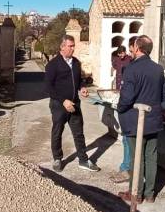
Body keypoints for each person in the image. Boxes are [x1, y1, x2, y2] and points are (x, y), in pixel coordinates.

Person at [116, 35, 165, 204]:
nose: (131, 50)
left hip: (135, 121)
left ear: (137, 48)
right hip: (154, 121)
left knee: (136, 157)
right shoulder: (158, 69)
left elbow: (127, 97)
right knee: (151, 157)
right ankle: (150, 194)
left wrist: (120, 108)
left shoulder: (132, 69)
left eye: (133, 47)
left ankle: (136, 194)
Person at [44, 35, 100, 173]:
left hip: (75, 104)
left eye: (73, 45)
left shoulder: (76, 62)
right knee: (57, 132)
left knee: (79, 133)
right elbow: (49, 88)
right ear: (62, 47)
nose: (73, 48)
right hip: (59, 105)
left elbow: (79, 79)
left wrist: (82, 88)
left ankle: (83, 160)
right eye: (70, 46)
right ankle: (57, 158)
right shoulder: (53, 65)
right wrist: (63, 101)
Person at [109, 37, 137, 184]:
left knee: (127, 139)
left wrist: (121, 106)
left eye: (129, 51)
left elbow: (129, 95)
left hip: (131, 108)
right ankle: (127, 166)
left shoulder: (132, 64)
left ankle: (127, 168)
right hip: (121, 90)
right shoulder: (117, 60)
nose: (124, 55)